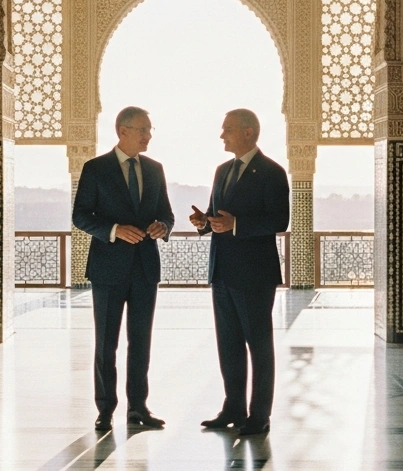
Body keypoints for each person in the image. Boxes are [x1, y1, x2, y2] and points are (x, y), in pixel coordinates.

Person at [72, 106, 175, 432]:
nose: (148, 136)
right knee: (106, 343)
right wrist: (115, 230)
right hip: (108, 268)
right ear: (122, 131)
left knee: (140, 341)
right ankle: (105, 409)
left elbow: (166, 215)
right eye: (143, 129)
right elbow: (81, 216)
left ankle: (138, 408)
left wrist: (163, 227)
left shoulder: (155, 169)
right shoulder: (95, 169)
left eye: (150, 130)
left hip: (145, 268)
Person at [188, 109, 289, 435]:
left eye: (228, 130)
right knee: (228, 344)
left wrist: (237, 225)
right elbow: (218, 216)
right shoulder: (221, 171)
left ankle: (259, 416)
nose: (222, 135)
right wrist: (205, 223)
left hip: (255, 274)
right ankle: (232, 408)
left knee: (258, 345)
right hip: (222, 271)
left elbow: (279, 220)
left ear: (248, 132)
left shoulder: (272, 172)